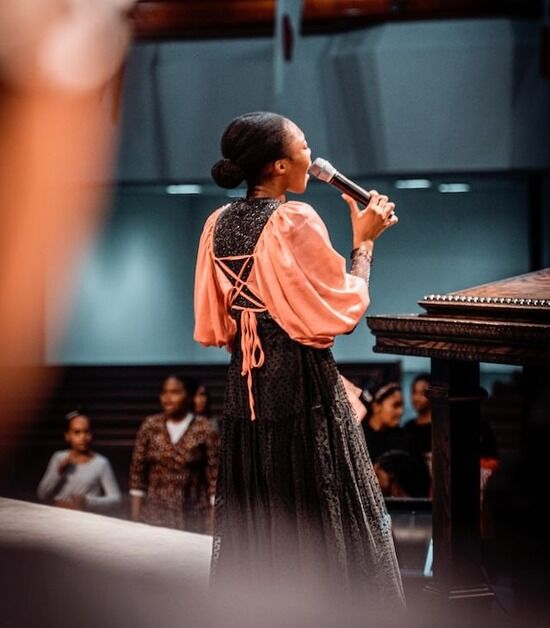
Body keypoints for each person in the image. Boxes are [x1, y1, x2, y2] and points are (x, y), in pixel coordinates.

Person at [194, 111, 404, 605]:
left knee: (265, 515)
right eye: (304, 146)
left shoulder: (216, 224)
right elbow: (342, 312)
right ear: (278, 166)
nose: (313, 155)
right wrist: (365, 245)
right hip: (302, 383)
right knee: (323, 514)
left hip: (246, 385)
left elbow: (218, 323)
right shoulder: (293, 219)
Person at [129, 374, 219, 533]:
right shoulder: (150, 426)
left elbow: (215, 478)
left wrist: (211, 526)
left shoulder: (205, 428)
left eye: (175, 392)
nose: (167, 398)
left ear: (190, 396)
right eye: (164, 392)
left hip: (193, 518)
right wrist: (135, 521)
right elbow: (137, 475)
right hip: (153, 517)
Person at [37, 411, 121, 512]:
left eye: (87, 432)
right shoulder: (59, 458)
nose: (83, 437)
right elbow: (42, 495)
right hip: (58, 519)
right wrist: (58, 473)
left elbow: (116, 499)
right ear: (68, 436)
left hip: (85, 521)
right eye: (77, 432)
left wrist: (87, 502)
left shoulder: (101, 463)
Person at [361, 382, 406, 463]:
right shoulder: (359, 438)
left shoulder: (403, 440)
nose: (401, 412)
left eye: (402, 405)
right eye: (395, 405)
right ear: (376, 407)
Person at [402, 373, 433, 474]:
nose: (416, 397)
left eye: (422, 393)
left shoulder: (439, 428)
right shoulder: (408, 426)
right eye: (414, 392)